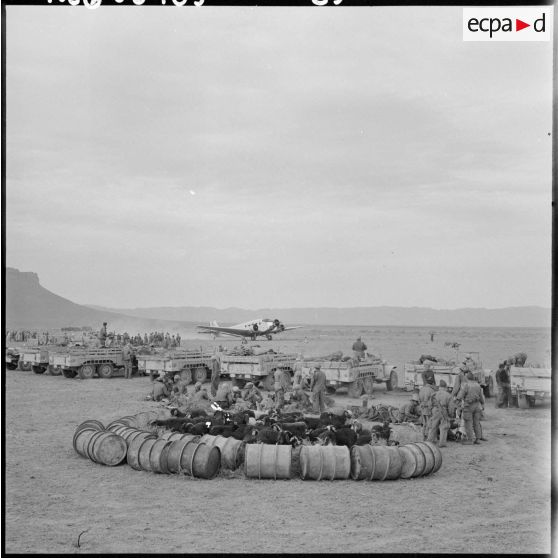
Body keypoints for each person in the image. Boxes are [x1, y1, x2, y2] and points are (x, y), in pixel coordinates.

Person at [454, 372, 486, 444]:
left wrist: (456, 401)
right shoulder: (478, 385)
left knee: (468, 423)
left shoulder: (466, 385)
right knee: (476, 423)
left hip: (468, 406)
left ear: (467, 378)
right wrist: (483, 404)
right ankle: (477, 439)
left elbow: (460, 395)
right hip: (477, 406)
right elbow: (481, 397)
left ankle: (470, 440)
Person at [428, 380, 452, 447]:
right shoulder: (448, 395)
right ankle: (442, 443)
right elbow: (451, 407)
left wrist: (431, 411)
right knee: (443, 427)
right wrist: (450, 414)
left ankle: (430, 441)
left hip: (435, 410)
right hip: (444, 411)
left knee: (433, 426)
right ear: (445, 387)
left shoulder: (434, 394)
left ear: (439, 387)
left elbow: (430, 404)